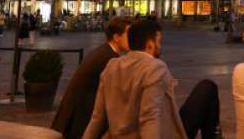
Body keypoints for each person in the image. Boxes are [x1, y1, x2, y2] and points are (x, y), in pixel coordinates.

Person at [83, 19, 220, 139]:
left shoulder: (112, 66)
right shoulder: (155, 67)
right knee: (207, 88)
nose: (160, 46)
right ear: (150, 44)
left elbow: (97, 118)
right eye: (159, 42)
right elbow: (149, 118)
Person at [52, 17, 132, 139]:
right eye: (129, 35)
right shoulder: (109, 58)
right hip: (79, 119)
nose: (132, 39)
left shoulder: (104, 51)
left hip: (74, 115)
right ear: (116, 37)